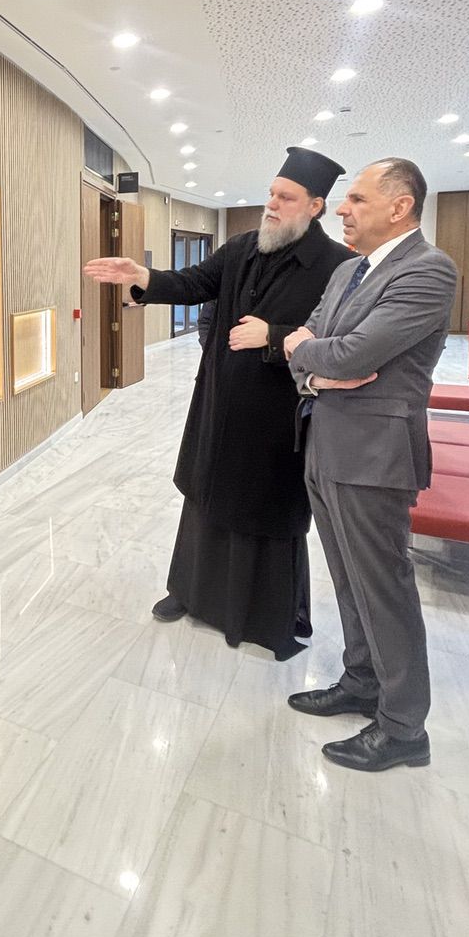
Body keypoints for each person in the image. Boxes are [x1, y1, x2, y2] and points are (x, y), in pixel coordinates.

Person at [84, 147, 355, 659]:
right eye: (271, 193)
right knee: (203, 497)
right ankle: (189, 593)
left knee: (262, 509)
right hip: (218, 401)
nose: (271, 204)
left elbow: (340, 338)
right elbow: (193, 284)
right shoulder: (241, 247)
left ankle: (258, 617)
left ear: (315, 206)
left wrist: (273, 336)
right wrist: (142, 276)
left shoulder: (337, 265)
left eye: (285, 197)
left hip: (276, 415)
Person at [284, 158, 457, 771]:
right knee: (349, 579)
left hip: (375, 456)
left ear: (400, 206)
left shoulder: (428, 270)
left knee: (384, 588)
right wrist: (316, 369)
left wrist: (317, 354)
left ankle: (405, 727)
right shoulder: (349, 270)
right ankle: (361, 682)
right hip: (326, 442)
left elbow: (353, 352)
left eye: (356, 198)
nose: (342, 208)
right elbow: (304, 344)